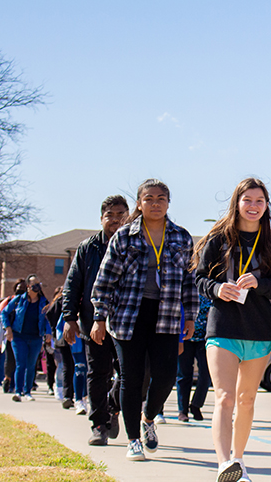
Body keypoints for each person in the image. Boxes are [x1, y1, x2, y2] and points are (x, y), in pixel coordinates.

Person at [91, 179, 197, 462]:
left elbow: (190, 282)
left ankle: (149, 417)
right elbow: (105, 281)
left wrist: (191, 317)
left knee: (165, 376)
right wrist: (99, 317)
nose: (155, 203)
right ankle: (133, 439)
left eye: (161, 198)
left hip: (166, 317)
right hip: (128, 316)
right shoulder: (124, 236)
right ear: (139, 203)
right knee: (131, 379)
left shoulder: (182, 237)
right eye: (148, 198)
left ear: (168, 203)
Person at [193, 177, 271, 482]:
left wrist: (259, 283)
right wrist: (217, 289)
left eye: (259, 201)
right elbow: (200, 279)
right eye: (247, 200)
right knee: (224, 397)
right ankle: (224, 464)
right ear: (237, 203)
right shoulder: (219, 239)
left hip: (259, 331)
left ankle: (238, 461)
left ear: (266, 206)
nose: (253, 206)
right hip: (222, 327)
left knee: (247, 399)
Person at [62, 194, 129, 445]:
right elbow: (73, 286)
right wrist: (70, 318)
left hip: (127, 323)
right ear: (101, 219)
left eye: (120, 215)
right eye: (109, 215)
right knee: (97, 372)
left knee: (132, 374)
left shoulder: (134, 244)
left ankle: (112, 406)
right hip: (94, 324)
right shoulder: (87, 248)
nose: (115, 220)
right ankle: (99, 424)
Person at [1, 274, 52, 401]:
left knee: (31, 365)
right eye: (34, 284)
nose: (37, 287)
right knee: (20, 364)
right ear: (28, 287)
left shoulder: (43, 302)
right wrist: (8, 329)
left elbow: (47, 319)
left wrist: (48, 332)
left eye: (38, 284)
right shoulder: (19, 300)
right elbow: (4, 313)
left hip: (36, 337)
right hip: (19, 337)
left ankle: (27, 391)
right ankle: (18, 392)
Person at [176, 294, 212, 423]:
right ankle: (183, 410)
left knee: (206, 374)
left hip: (204, 338)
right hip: (185, 337)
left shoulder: (209, 290)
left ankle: (196, 405)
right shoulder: (186, 289)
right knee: (184, 374)